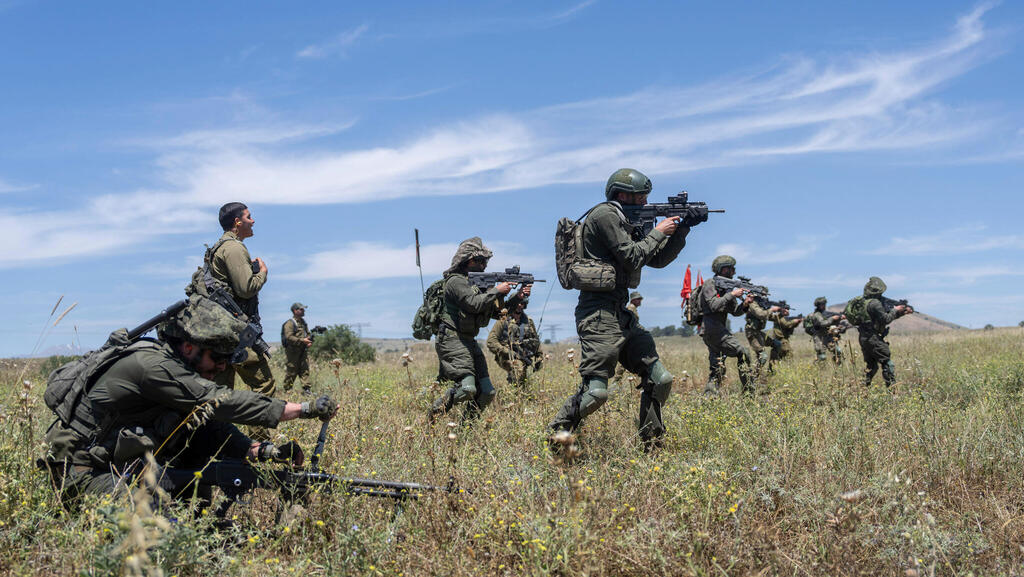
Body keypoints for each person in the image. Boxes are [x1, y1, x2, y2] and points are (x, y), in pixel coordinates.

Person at [41, 296, 337, 505]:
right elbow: (216, 401)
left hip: (121, 467)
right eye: (217, 357)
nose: (222, 367)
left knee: (198, 466)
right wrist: (304, 409)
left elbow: (207, 426)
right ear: (188, 346)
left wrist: (258, 450)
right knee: (155, 517)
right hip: (84, 475)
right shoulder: (152, 367)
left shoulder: (173, 366)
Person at [548, 169, 687, 450]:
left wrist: (681, 231)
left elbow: (655, 261)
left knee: (661, 380)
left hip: (620, 312)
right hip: (597, 314)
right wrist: (660, 232)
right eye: (641, 197)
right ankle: (556, 438)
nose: (646, 203)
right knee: (596, 393)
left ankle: (651, 447)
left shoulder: (626, 219)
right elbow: (632, 256)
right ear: (622, 194)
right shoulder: (605, 215)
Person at [429, 237, 529, 423]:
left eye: (486, 261)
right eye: (480, 261)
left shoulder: (477, 285)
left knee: (487, 392)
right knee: (467, 389)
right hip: (452, 339)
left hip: (468, 340)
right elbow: (473, 304)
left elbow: (495, 312)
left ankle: (464, 431)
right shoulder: (455, 282)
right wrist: (497, 291)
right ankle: (432, 416)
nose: (484, 265)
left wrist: (517, 297)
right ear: (468, 261)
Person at [699, 255, 755, 395]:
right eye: (732, 269)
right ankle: (748, 392)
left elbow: (735, 312)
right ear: (724, 269)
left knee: (717, 367)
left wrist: (745, 303)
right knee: (743, 353)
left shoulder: (726, 289)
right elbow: (713, 305)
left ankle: (709, 398)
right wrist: (732, 294)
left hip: (717, 329)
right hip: (712, 329)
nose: (734, 272)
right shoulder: (710, 284)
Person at [857, 277, 912, 387]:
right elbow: (886, 319)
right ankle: (892, 391)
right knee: (887, 363)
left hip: (863, 337)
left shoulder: (863, 302)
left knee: (872, 366)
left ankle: (862, 388)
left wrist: (900, 312)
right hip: (873, 338)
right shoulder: (875, 304)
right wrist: (896, 310)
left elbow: (879, 319)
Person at [486, 298, 542, 387]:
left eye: (522, 303)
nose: (520, 305)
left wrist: (539, 357)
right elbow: (491, 342)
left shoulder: (528, 321)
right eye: (517, 303)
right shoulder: (503, 321)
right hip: (505, 356)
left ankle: (519, 395)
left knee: (523, 381)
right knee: (518, 369)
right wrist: (508, 352)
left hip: (523, 356)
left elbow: (535, 339)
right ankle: (511, 392)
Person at [612, 292, 645, 386]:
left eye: (640, 299)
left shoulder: (633, 308)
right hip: (629, 337)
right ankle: (617, 382)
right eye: (638, 299)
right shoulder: (631, 308)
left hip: (630, 336)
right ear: (633, 300)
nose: (640, 301)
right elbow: (631, 324)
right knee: (627, 360)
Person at [743, 299, 779, 382]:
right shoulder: (753, 304)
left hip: (758, 332)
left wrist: (780, 314)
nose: (765, 297)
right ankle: (754, 378)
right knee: (762, 356)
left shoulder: (761, 306)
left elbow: (769, 317)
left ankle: (771, 371)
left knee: (777, 344)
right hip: (752, 332)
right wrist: (772, 309)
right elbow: (761, 314)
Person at [281, 302, 313, 394]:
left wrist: (309, 341)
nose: (303, 311)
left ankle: (307, 390)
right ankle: (287, 390)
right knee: (292, 370)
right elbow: (289, 337)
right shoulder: (290, 323)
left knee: (304, 369)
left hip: (302, 350)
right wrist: (303, 340)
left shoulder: (303, 322)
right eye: (301, 309)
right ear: (295, 311)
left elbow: (307, 334)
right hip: (293, 351)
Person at [806, 297, 845, 364]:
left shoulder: (825, 313)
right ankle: (818, 368)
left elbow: (830, 323)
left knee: (837, 351)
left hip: (828, 336)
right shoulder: (816, 315)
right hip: (819, 337)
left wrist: (839, 318)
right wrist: (832, 318)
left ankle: (838, 367)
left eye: (824, 304)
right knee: (822, 357)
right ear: (818, 305)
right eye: (821, 304)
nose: (823, 306)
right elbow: (823, 323)